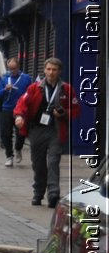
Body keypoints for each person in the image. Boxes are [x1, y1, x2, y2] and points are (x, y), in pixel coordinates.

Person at [14, 57, 79, 208]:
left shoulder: (67, 89)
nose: (51, 73)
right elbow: (22, 104)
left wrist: (63, 113)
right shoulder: (34, 88)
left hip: (56, 130)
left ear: (59, 72)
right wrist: (19, 117)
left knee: (54, 161)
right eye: (48, 69)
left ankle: (53, 194)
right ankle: (38, 193)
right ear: (44, 70)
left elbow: (76, 110)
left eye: (54, 70)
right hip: (37, 130)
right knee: (38, 164)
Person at [0, 58, 32, 167]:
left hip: (21, 109)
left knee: (21, 133)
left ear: (18, 67)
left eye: (14, 68)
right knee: (6, 134)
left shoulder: (26, 78)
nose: (12, 71)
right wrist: (5, 89)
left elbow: (30, 92)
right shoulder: (4, 78)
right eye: (10, 68)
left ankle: (18, 148)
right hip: (7, 109)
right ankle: (9, 156)